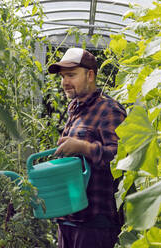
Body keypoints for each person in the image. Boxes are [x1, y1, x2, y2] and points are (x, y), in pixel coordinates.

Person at [48, 47, 127, 248]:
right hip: (69, 217)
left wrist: (83, 147)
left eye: (71, 75)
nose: (65, 82)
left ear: (90, 75)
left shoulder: (109, 109)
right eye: (63, 77)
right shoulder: (75, 108)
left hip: (95, 223)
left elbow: (122, 160)